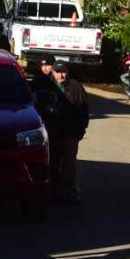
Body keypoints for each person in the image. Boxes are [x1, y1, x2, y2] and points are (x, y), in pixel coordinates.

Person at [50, 60, 89, 203]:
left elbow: (84, 111)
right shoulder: (48, 86)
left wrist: (81, 130)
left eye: (63, 72)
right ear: (52, 72)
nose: (61, 75)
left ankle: (72, 192)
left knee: (70, 162)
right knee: (53, 162)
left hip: (71, 132)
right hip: (52, 131)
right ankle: (55, 192)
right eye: (58, 72)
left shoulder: (76, 87)